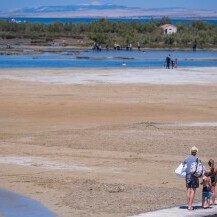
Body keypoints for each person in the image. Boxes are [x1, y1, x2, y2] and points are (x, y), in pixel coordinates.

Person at [183, 146, 200, 210]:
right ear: (196, 152)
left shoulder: (187, 158)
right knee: (193, 190)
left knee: (188, 190)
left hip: (188, 176)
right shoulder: (197, 159)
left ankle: (188, 206)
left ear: (191, 151)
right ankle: (190, 206)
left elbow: (183, 164)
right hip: (194, 176)